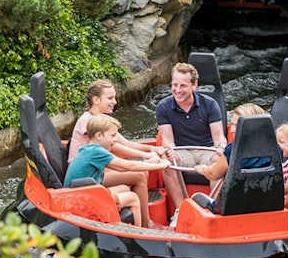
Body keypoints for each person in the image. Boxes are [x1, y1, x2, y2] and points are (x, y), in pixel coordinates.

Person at [68, 79, 168, 226]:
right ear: (96, 100)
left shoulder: (104, 123)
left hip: (96, 170)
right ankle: (145, 226)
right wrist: (152, 160)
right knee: (139, 175)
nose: (114, 101)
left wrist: (150, 149)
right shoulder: (91, 123)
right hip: (87, 179)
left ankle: (134, 218)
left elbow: (124, 143)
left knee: (135, 175)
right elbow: (116, 148)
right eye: (110, 98)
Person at [156, 62, 226, 209]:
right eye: (174, 85)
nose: (177, 90)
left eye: (183, 86)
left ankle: (210, 207)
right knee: (167, 163)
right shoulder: (163, 107)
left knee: (221, 160)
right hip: (182, 151)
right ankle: (180, 210)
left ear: (194, 85)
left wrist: (221, 147)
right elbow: (168, 140)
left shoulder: (210, 104)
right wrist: (170, 152)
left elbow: (218, 137)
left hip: (206, 150)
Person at [193, 103, 270, 195]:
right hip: (266, 198)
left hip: (237, 202)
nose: (232, 130)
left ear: (251, 125)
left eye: (237, 125)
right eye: (232, 124)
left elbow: (213, 174)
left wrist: (202, 169)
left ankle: (215, 207)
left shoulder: (233, 150)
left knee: (195, 197)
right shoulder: (275, 147)